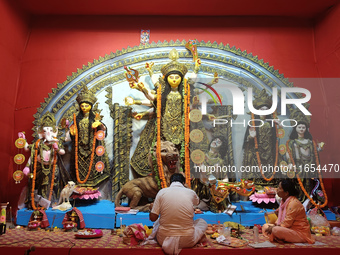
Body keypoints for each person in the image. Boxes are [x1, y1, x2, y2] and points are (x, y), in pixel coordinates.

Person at [126, 48, 201, 176]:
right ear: (167, 79)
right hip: (163, 126)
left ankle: (181, 174)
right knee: (162, 151)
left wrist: (196, 69)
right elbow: (151, 98)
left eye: (177, 77)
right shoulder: (162, 93)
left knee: (181, 152)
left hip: (181, 127)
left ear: (181, 79)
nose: (174, 79)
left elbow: (192, 83)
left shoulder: (185, 92)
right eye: (171, 77)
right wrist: (143, 87)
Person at [149, 173, 208, 254]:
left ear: (170, 183)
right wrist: (188, 188)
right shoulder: (190, 192)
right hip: (188, 240)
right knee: (201, 222)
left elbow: (153, 218)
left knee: (158, 221)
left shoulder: (162, 192)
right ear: (183, 183)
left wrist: (151, 209)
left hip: (163, 239)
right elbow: (197, 202)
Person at [66, 85, 110, 187]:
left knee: (91, 167)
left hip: (92, 147)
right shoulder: (77, 119)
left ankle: (90, 185)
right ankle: (80, 185)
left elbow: (103, 132)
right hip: (79, 148)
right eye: (82, 106)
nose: (84, 108)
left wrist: (99, 124)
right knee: (79, 167)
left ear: (91, 106)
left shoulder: (94, 118)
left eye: (87, 105)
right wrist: (73, 134)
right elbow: (73, 134)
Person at [262, 179, 314, 243]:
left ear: (286, 193)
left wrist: (273, 227)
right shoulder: (283, 201)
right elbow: (280, 219)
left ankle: (278, 237)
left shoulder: (293, 203)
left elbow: (287, 223)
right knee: (265, 226)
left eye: (279, 188)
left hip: (299, 233)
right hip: (287, 229)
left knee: (275, 230)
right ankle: (279, 237)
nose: (277, 189)